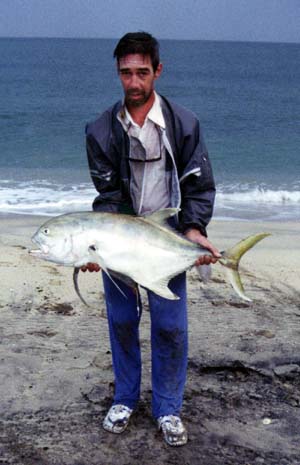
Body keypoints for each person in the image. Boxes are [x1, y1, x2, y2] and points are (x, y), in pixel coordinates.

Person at [83, 32, 220, 447]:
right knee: (123, 321)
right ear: (118, 73)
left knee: (170, 327)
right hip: (122, 241)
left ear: (158, 71)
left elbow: (199, 186)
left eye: (143, 72)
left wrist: (194, 229)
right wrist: (96, 247)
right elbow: (108, 197)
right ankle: (125, 398)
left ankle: (167, 408)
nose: (135, 83)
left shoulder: (185, 124)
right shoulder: (100, 130)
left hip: (165, 240)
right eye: (126, 73)